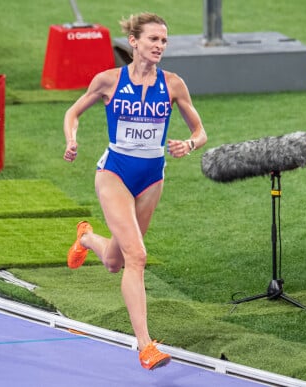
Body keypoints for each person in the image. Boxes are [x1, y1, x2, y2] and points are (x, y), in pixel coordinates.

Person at [63, 12, 207, 370]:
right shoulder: (109, 81)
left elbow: (200, 131)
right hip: (114, 173)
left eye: (163, 41)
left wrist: (188, 145)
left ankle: (86, 239)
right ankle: (145, 345)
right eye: (153, 39)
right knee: (137, 257)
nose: (159, 46)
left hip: (151, 179)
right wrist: (72, 139)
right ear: (134, 42)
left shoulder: (173, 85)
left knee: (115, 262)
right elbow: (73, 112)